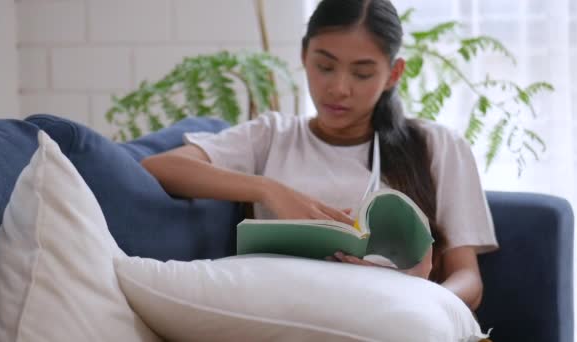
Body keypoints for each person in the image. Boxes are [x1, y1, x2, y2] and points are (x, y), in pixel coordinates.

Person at [141, 0, 498, 311]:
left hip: (397, 316)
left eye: (362, 73)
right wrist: (268, 191)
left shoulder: (438, 145)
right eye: (325, 66)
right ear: (303, 56)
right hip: (288, 314)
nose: (338, 88)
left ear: (393, 74)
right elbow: (159, 167)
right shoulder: (272, 135)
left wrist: (421, 294)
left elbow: (468, 280)